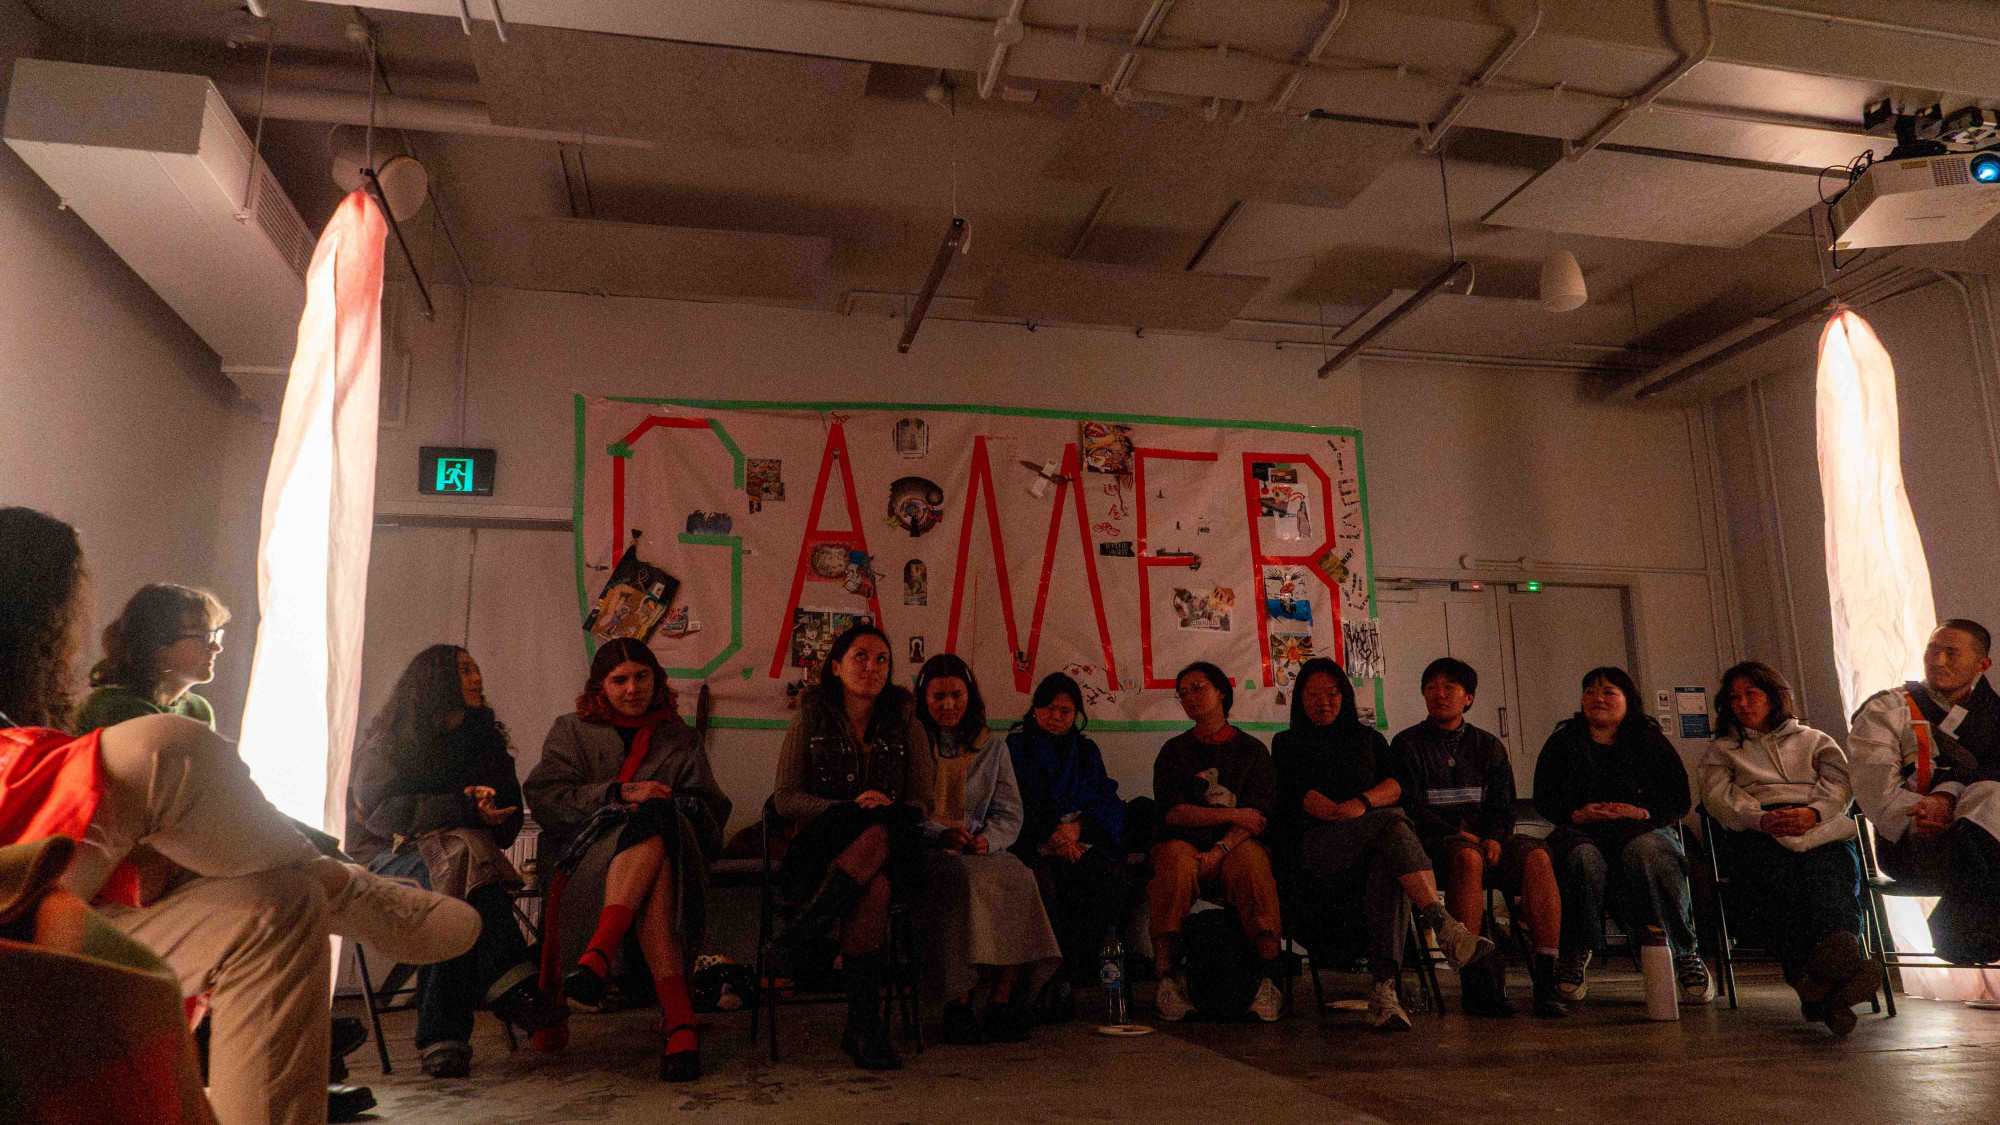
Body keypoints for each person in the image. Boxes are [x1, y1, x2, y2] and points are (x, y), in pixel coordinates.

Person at [0, 505, 479, 1125]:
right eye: (201, 635)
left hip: (53, 905)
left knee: (277, 901)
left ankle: (326, 886)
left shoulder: (179, 707)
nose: (215, 647)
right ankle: (351, 891)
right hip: (28, 876)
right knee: (168, 749)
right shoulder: (114, 708)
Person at [346, 644, 566, 1077]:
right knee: (460, 862)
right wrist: (463, 805)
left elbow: (504, 827)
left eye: (475, 669)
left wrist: (493, 808)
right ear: (434, 681)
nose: (477, 678)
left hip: (460, 864)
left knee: (454, 882)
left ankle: (443, 1039)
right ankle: (510, 982)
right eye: (464, 670)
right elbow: (379, 815)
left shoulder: (484, 741)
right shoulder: (389, 743)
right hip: (389, 858)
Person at [523, 638, 731, 1082]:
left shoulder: (681, 737)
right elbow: (545, 797)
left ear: (657, 680)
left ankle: (598, 954)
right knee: (656, 862)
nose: (632, 689)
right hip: (590, 857)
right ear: (600, 686)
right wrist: (619, 794)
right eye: (619, 680)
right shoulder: (571, 730)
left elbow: (712, 809)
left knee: (657, 822)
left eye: (642, 677)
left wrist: (672, 805)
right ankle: (680, 1024)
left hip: (672, 848)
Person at [1273, 657, 1494, 1031]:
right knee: (1391, 821)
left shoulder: (1369, 740)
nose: (1323, 702)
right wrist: (1354, 810)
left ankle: (1385, 991)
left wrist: (1361, 803)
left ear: (1345, 696)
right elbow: (1308, 801)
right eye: (1312, 695)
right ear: (1299, 699)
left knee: (1387, 863)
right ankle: (1442, 923)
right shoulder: (1287, 743)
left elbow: (1397, 786)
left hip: (1371, 845)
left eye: (1332, 693)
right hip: (1317, 848)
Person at [769, 623, 935, 1070]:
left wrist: (885, 806)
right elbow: (785, 799)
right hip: (823, 850)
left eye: (882, 659)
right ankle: (863, 1029)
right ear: (837, 667)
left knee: (880, 837)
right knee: (872, 883)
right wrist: (847, 808)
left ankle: (803, 935)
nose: (872, 667)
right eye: (860, 656)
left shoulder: (907, 722)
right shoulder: (810, 717)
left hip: (892, 847)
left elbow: (923, 802)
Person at [1697, 660, 1875, 1033]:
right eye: (1734, 697)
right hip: (1760, 828)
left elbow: (1840, 784)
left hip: (1817, 823)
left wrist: (1814, 812)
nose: (1742, 703)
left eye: (1751, 694)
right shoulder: (1722, 750)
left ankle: (1822, 975)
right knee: (1779, 886)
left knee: (1831, 878)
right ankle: (1839, 981)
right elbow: (1716, 797)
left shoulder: (1814, 739)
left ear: (1774, 696)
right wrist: (1759, 818)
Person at [1391, 657, 1566, 1018]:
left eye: (1449, 687)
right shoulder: (1407, 744)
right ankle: (1477, 982)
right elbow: (1410, 808)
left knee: (1537, 856)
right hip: (1435, 845)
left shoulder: (1488, 746)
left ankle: (1547, 977)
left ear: (1468, 697)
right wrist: (1460, 835)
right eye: (1431, 688)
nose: (1439, 694)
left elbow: (1505, 805)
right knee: (1468, 857)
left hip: (1489, 842)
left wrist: (1496, 837)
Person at [1533, 665, 1713, 1006]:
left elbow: (1678, 799)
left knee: (1651, 850)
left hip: (1639, 828)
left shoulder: (1649, 739)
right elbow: (1544, 796)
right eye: (1590, 692)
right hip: (1582, 831)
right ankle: (1575, 951)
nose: (1597, 698)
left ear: (1628, 699)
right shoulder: (1563, 740)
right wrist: (1576, 813)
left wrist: (1640, 812)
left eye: (1608, 692)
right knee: (1580, 857)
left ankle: (1684, 951)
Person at [912, 654, 1061, 1045]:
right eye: (938, 696)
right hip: (929, 849)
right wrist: (938, 835)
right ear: (923, 698)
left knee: (1020, 880)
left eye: (957, 695)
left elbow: (1009, 811)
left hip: (980, 849)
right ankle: (958, 1002)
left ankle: (1002, 1001)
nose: (948, 705)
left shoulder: (991, 746)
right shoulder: (911, 743)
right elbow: (905, 808)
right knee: (960, 885)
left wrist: (987, 840)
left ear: (970, 696)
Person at [1848, 619, 2000, 965]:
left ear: (1982, 664)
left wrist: (1949, 800)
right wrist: (1926, 812)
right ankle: (1960, 931)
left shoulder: (1995, 715)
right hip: (1913, 841)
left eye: (1951, 653)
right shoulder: (1888, 708)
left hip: (1982, 838)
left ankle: (1960, 930)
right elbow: (1874, 787)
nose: (1938, 660)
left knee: (1991, 794)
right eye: (1933, 650)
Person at [1148, 661, 1287, 1022]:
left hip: (1235, 845)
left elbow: (1256, 818)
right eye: (1183, 693)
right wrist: (1231, 814)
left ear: (1221, 691)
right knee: (1174, 866)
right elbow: (1174, 813)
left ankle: (1269, 980)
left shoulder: (1252, 750)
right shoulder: (1174, 751)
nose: (1189, 697)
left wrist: (1221, 847)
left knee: (1253, 866)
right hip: (1184, 844)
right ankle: (1166, 980)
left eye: (1198, 688)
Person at [1006, 671, 1130, 1023]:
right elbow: (1013, 801)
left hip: (1077, 840)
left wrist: (1077, 829)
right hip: (1029, 842)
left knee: (1113, 878)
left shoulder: (1086, 751)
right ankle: (1042, 981)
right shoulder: (1016, 747)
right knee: (1042, 885)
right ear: (1035, 709)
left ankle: (1081, 977)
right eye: (1050, 709)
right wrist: (1052, 836)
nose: (1057, 717)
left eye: (1066, 711)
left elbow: (1104, 799)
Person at [75, 582, 228, 732]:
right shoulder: (115, 707)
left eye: (216, 635)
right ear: (158, 643)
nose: (217, 648)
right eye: (206, 636)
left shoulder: (198, 709)